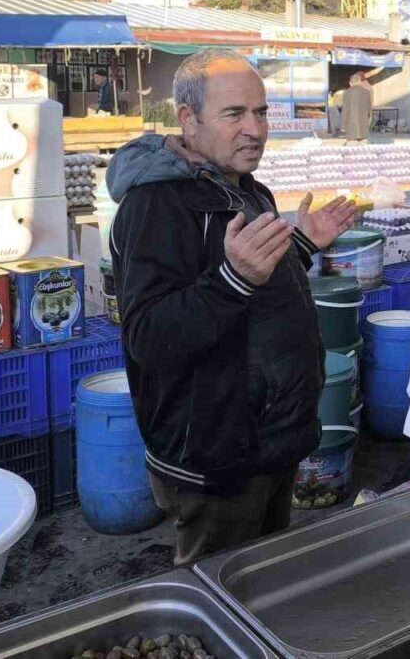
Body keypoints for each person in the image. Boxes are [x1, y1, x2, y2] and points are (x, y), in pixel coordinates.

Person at [106, 49, 357, 566]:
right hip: (217, 453)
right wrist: (232, 279)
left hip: (271, 437)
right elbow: (149, 336)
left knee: (265, 575)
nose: (255, 130)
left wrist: (300, 246)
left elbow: (253, 289)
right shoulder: (156, 205)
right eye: (234, 114)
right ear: (188, 119)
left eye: (261, 113)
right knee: (219, 587)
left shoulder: (245, 188)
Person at [342, 72, 373, 142]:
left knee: (352, 146)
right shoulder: (367, 92)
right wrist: (369, 120)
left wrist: (343, 126)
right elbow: (369, 109)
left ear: (350, 83)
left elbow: (345, 110)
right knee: (362, 146)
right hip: (363, 127)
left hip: (351, 128)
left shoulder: (346, 93)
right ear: (360, 82)